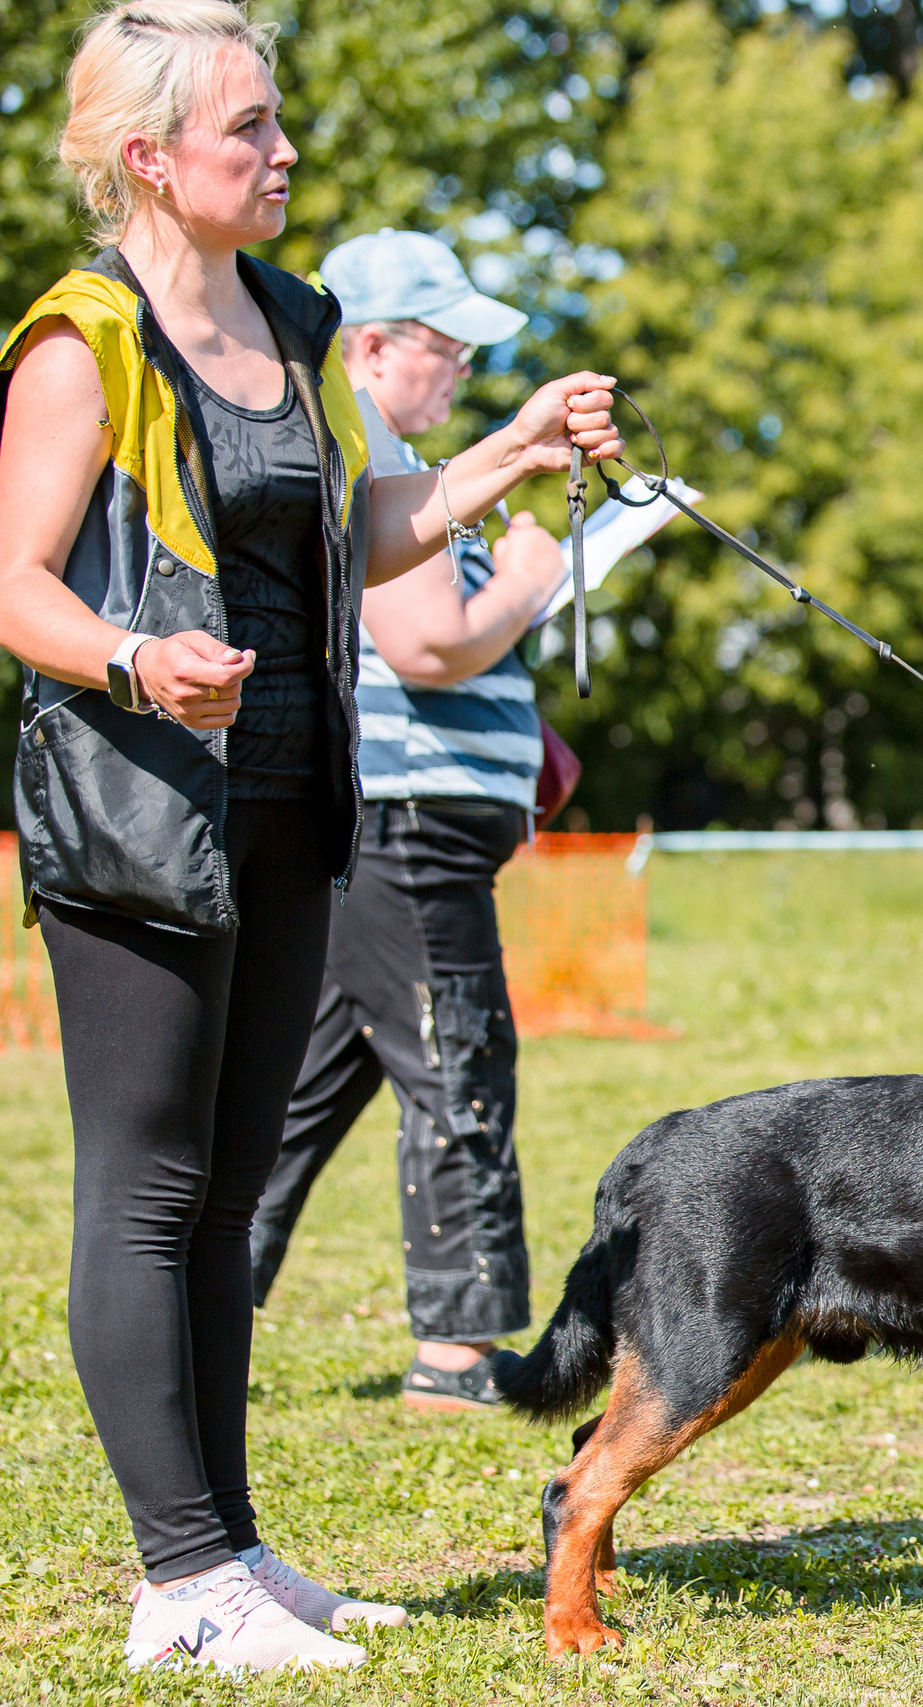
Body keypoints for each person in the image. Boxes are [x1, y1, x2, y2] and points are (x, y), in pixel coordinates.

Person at [0, 2, 618, 1674]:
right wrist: (136, 658)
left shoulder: (295, 320)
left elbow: (374, 525)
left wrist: (513, 444)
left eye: (279, 123)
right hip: (138, 814)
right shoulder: (85, 340)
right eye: (249, 131)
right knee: (147, 1188)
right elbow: (14, 583)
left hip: (291, 809)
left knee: (224, 1194)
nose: (283, 156)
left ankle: (231, 1550)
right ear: (149, 159)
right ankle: (176, 1577)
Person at [248, 229, 565, 1416]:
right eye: (447, 350)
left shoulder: (395, 447)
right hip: (408, 818)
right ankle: (459, 1349)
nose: (462, 376)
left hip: (408, 819)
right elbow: (428, 645)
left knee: (304, 1086)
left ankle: (204, 1301)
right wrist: (536, 571)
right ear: (372, 346)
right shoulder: (371, 442)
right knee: (457, 1056)